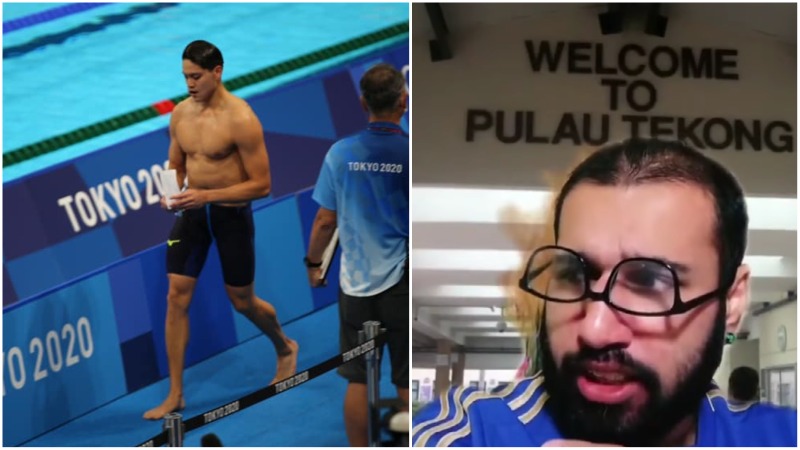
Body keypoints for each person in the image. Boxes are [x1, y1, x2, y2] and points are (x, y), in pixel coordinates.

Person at [412, 138, 797, 447]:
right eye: (572, 273)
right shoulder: (469, 432)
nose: (594, 330)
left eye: (649, 282)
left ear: (731, 300)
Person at [144, 40, 298, 420]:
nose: (190, 84)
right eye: (185, 77)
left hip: (229, 215)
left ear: (217, 72)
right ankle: (175, 393)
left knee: (242, 302)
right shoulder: (180, 114)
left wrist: (207, 195)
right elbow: (176, 163)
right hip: (193, 215)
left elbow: (262, 184)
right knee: (175, 297)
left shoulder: (241, 119)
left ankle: (284, 345)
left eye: (196, 76)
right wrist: (169, 194)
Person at [305, 63, 409, 446]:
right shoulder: (411, 153)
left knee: (358, 378)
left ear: (363, 102)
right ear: (404, 100)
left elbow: (323, 221)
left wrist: (314, 263)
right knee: (404, 379)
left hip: (355, 285)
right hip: (400, 283)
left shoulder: (340, 153)